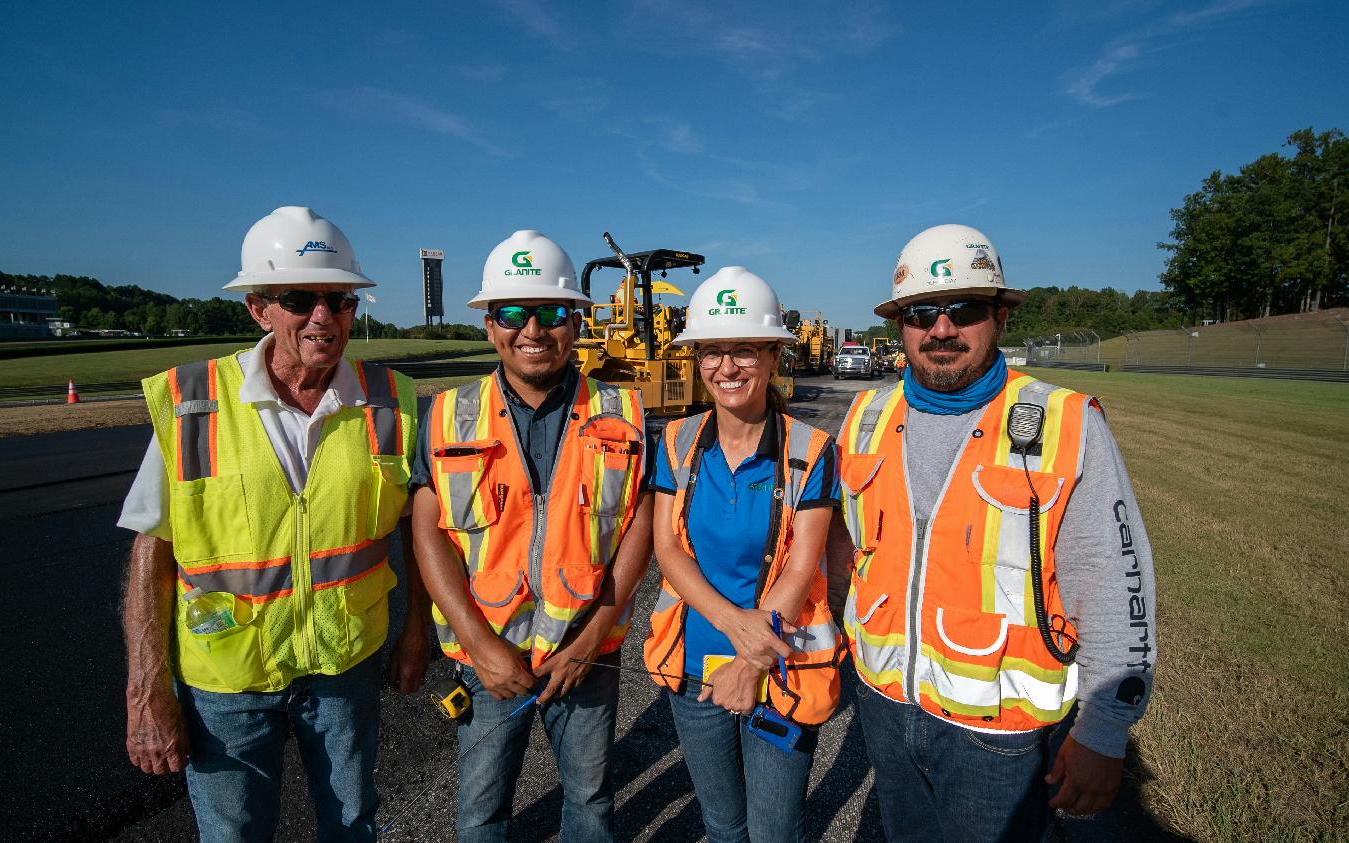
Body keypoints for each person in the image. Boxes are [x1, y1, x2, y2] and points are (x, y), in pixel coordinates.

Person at [833, 224, 1158, 842]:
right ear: (899, 325)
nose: (942, 328)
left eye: (966, 310)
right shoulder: (865, 416)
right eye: (922, 312)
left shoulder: (1065, 424)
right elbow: (847, 552)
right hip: (884, 706)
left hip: (1002, 738)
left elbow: (1115, 585)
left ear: (1001, 317)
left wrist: (1104, 730)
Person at [119, 206, 430, 842]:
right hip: (227, 680)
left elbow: (416, 533)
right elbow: (153, 550)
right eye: (298, 299)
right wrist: (146, 685)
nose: (323, 317)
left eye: (339, 300)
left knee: (352, 825)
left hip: (345, 664)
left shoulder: (389, 399)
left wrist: (418, 628)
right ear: (258, 309)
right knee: (235, 836)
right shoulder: (193, 403)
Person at [409, 230, 654, 842]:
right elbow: (428, 528)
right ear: (490, 326)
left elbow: (639, 524)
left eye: (550, 312)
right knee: (481, 813)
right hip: (488, 658)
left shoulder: (624, 411)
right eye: (513, 313)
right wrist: (478, 643)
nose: (533, 330)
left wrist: (593, 636)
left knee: (591, 805)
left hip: (586, 655)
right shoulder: (445, 415)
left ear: (576, 322)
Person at [643, 267, 842, 843]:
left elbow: (804, 568)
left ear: (775, 355)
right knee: (723, 825)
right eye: (712, 351)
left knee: (774, 832)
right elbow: (667, 549)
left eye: (745, 351)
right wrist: (734, 632)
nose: (727, 367)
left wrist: (750, 661)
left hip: (780, 665)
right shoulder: (677, 441)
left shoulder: (809, 449)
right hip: (693, 668)